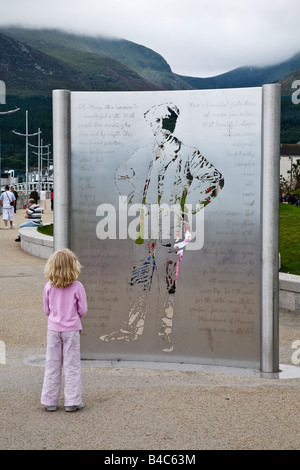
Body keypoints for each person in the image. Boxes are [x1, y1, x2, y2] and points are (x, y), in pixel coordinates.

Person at [100, 103, 224, 352]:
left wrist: (188, 207)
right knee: (138, 278)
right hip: (144, 226)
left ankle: (164, 333)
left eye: (164, 122)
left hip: (171, 227)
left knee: (168, 282)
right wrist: (133, 197)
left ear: (172, 123)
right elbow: (121, 174)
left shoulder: (188, 153)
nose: (159, 127)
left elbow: (215, 179)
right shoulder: (143, 152)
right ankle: (130, 330)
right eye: (155, 122)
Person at [41, 249, 88, 412]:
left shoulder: (48, 286)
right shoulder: (77, 286)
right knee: (72, 364)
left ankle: (50, 400)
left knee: (52, 363)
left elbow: (47, 310)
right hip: (71, 330)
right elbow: (83, 309)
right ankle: (72, 401)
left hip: (53, 329)